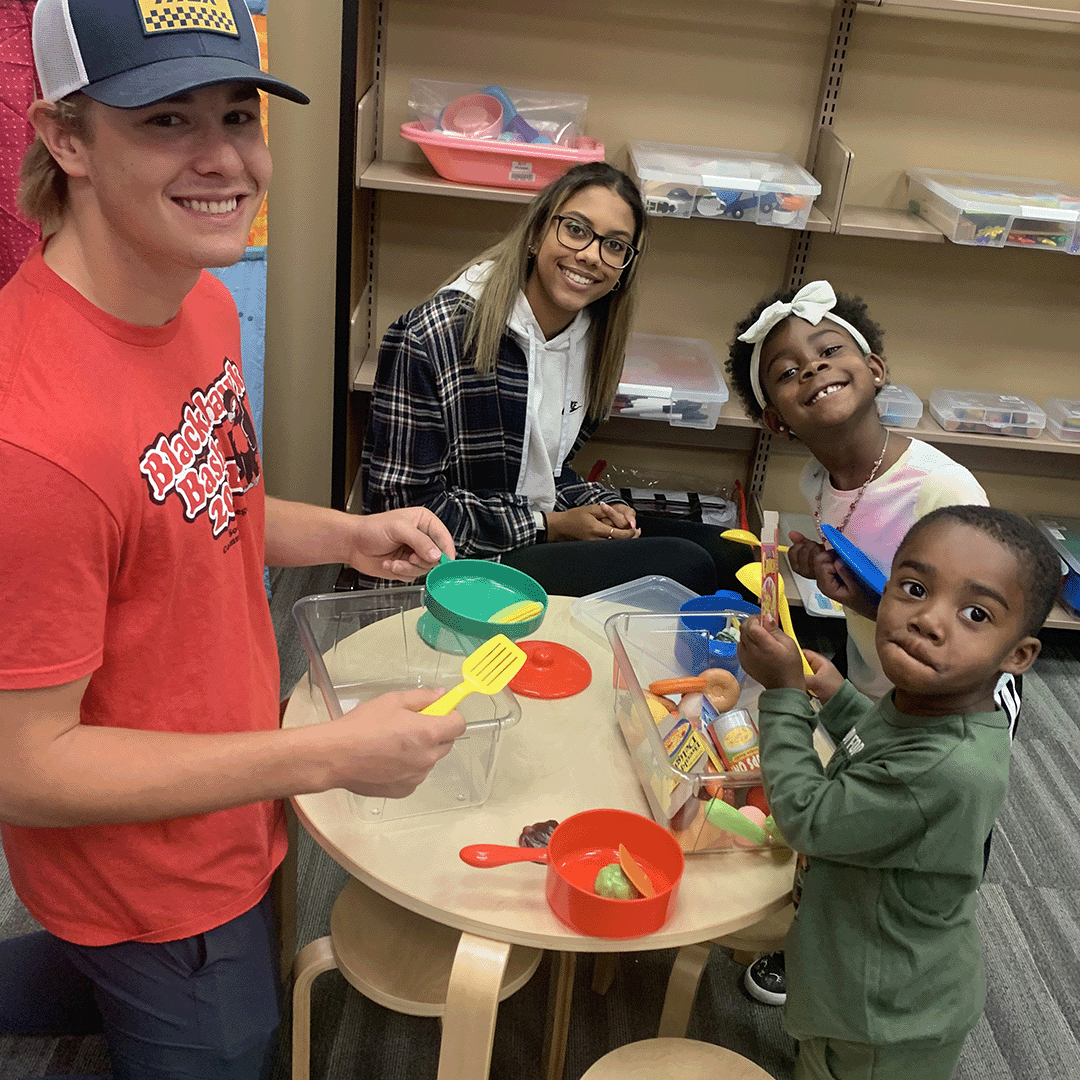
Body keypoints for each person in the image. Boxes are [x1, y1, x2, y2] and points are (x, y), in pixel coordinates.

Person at [0, 3, 465, 1078]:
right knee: (233, 1038)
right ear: (66, 138)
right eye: (166, 121)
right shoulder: (35, 440)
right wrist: (325, 756)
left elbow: (201, 505)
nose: (225, 160)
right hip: (150, 878)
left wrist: (345, 530)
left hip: (233, 797)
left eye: (238, 114)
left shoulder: (196, 300)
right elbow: (25, 766)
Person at [725, 279, 1018, 1005]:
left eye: (828, 350)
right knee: (859, 815)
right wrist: (814, 567)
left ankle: (912, 954)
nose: (813, 370)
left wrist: (878, 601)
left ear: (877, 368)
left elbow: (968, 620)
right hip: (878, 678)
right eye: (788, 372)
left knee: (924, 843)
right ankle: (819, 929)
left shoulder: (940, 490)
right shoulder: (820, 478)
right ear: (776, 419)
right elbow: (860, 569)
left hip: (952, 697)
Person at [736, 505, 1061, 1080]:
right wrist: (838, 697)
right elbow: (880, 748)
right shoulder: (932, 701)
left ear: (1019, 655)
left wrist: (784, 694)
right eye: (913, 588)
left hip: (880, 1015)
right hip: (861, 966)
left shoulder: (948, 766)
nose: (929, 620)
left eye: (975, 613)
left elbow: (808, 818)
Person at [361, 161, 751, 597]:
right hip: (450, 566)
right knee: (684, 565)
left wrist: (599, 506)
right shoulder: (432, 336)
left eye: (615, 246)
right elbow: (399, 511)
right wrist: (548, 526)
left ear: (625, 268)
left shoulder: (592, 338)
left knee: (733, 557)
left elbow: (543, 470)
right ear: (535, 234)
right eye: (576, 229)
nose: (589, 255)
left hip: (527, 531)